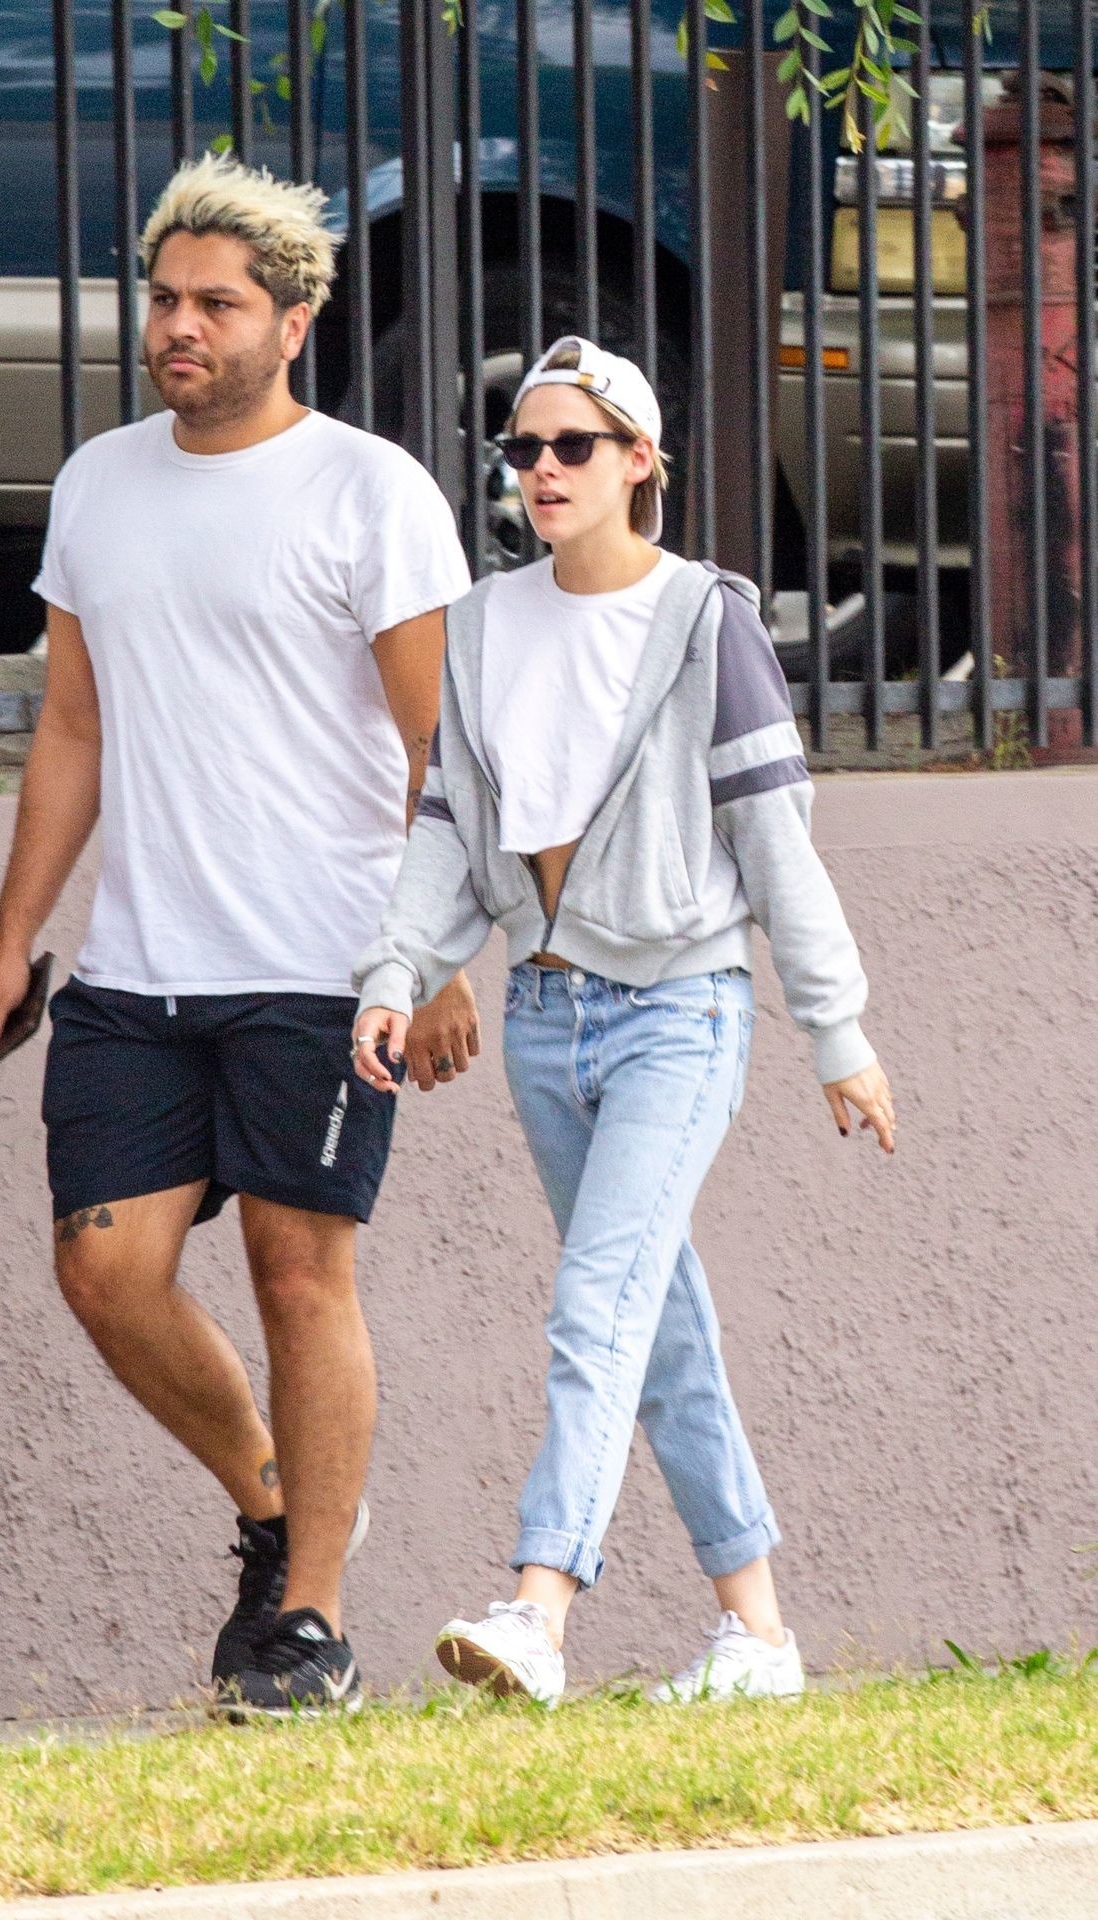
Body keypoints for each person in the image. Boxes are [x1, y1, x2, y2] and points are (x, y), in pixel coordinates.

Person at [0, 154, 474, 1717]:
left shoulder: (370, 491)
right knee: (104, 1270)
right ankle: (276, 1504)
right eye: (166, 299)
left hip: (325, 966)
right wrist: (15, 934)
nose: (181, 326)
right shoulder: (99, 484)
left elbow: (437, 747)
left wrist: (436, 956)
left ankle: (310, 1623)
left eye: (219, 305)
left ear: (294, 322)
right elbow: (71, 725)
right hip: (138, 971)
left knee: (297, 1270)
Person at [350, 335, 896, 1707]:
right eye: (523, 448)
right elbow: (444, 826)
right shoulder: (481, 625)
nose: (542, 469)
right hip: (544, 1014)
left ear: (640, 460)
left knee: (596, 1305)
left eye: (572, 446)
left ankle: (540, 1606)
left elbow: (774, 837)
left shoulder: (703, 620)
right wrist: (395, 973)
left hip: (680, 1013)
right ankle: (758, 1638)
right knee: (660, 1330)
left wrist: (837, 1031)